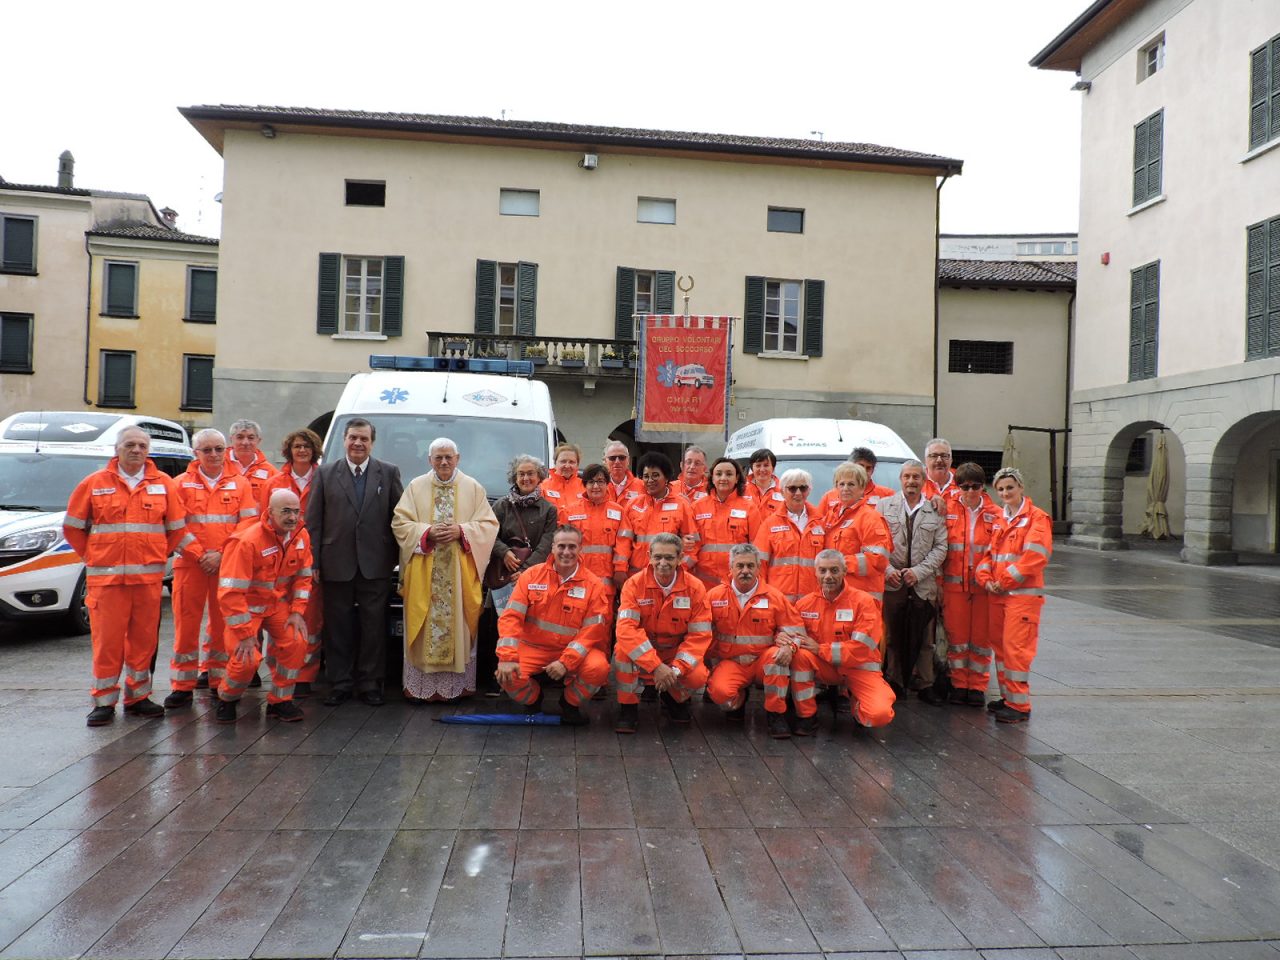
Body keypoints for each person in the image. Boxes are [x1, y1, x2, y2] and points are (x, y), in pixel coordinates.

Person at [63, 427, 187, 727]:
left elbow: (177, 528)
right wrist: (93, 556)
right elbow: (73, 527)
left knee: (143, 642)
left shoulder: (164, 485)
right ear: (117, 449)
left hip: (147, 581)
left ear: (148, 450)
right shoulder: (93, 484)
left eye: (142, 445)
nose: (136, 449)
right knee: (107, 643)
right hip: (106, 581)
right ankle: (104, 702)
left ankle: (138, 698)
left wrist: (156, 555)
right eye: (130, 444)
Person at [392, 438, 499, 702]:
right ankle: (421, 688)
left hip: (459, 575)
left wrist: (462, 531)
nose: (443, 462)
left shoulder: (472, 487)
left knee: (459, 627)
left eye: (448, 457)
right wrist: (426, 533)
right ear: (429, 460)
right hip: (424, 573)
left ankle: (456, 688)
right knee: (424, 622)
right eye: (438, 457)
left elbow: (488, 524)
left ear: (458, 458)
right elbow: (400, 523)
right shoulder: (416, 487)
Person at [305, 418, 403, 706]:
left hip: (376, 564)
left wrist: (399, 561)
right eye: (353, 438)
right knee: (337, 628)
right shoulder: (325, 474)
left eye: (364, 439)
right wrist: (313, 562)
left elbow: (398, 519)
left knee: (374, 627)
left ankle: (371, 683)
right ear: (344, 440)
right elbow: (314, 522)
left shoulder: (388, 473)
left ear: (372, 442)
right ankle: (339, 682)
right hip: (336, 563)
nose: (358, 443)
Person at [165, 428, 258, 708]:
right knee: (186, 625)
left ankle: (218, 681)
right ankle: (182, 685)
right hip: (189, 565)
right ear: (196, 454)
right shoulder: (179, 484)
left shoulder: (240, 483)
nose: (214, 455)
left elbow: (248, 525)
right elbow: (175, 526)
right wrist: (200, 554)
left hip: (227, 565)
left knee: (222, 625)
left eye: (219, 449)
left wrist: (221, 553)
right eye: (207, 450)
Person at [496, 525, 612, 724]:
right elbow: (511, 617)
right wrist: (506, 658)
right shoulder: (531, 576)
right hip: (533, 647)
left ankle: (570, 703)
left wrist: (566, 662)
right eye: (561, 546)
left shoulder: (594, 585)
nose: (566, 552)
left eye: (572, 547)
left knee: (599, 668)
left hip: (571, 650)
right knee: (506, 675)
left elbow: (592, 632)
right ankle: (533, 699)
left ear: (580, 549)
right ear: (552, 547)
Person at [214, 489, 311, 724]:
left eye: (296, 512)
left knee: (297, 641)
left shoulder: (300, 536)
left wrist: (298, 612)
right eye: (285, 511)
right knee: (247, 659)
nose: (292, 517)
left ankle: (280, 701)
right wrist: (246, 634)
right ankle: (227, 698)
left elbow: (303, 576)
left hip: (275, 604)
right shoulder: (248, 541)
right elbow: (230, 594)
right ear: (270, 512)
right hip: (245, 608)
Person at [976, 466, 1053, 724]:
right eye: (1000, 489)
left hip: (1022, 596)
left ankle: (1019, 705)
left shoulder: (1036, 518)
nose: (1005, 492)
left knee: (1016, 649)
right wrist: (986, 579)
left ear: (1021, 487)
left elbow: (1035, 557)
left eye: (1010, 487)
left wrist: (1003, 580)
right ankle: (1008, 697)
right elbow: (989, 555)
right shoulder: (1001, 519)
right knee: (1000, 648)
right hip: (999, 594)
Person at [613, 532, 711, 733]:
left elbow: (699, 636)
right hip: (646, 649)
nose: (663, 563)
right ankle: (628, 708)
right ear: (649, 556)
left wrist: (675, 669)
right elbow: (626, 630)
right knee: (622, 654)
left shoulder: (695, 587)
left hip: (675, 651)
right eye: (658, 557)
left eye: (669, 557)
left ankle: (673, 697)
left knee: (698, 676)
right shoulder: (634, 584)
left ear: (680, 558)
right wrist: (655, 665)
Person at [790, 550, 897, 735]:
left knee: (879, 715)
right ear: (815, 572)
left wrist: (820, 648)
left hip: (859, 669)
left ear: (844, 571)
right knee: (799, 655)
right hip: (825, 667)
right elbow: (794, 636)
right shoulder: (804, 604)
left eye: (834, 570)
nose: (828, 576)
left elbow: (862, 649)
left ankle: (856, 703)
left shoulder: (864, 602)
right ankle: (806, 716)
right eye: (822, 571)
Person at [705, 543, 805, 739]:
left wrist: (790, 646)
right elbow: (699, 633)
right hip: (731, 662)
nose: (745, 571)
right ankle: (739, 699)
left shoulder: (775, 597)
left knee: (779, 658)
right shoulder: (714, 596)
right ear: (730, 568)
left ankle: (776, 714)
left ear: (759, 568)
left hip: (763, 661)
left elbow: (795, 631)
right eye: (740, 566)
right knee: (719, 694)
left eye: (750, 566)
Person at [479, 455, 558, 693]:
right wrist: (503, 553)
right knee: (499, 625)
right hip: (503, 576)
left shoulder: (549, 509)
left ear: (540, 477)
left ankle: (533, 674)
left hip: (534, 577)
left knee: (532, 625)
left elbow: (548, 543)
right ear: (515, 477)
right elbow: (488, 533)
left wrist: (526, 570)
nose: (526, 478)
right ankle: (497, 675)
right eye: (521, 474)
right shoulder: (502, 505)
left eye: (530, 473)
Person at [260, 428, 325, 695]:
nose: (302, 450)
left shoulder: (324, 478)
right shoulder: (274, 482)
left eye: (307, 446)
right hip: (279, 559)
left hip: (309, 556)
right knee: (279, 616)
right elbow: (262, 521)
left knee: (311, 619)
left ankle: (304, 676)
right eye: (297, 446)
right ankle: (279, 673)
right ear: (290, 449)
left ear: (314, 450)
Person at [878, 459, 948, 701]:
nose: (911, 481)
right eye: (907, 477)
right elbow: (875, 543)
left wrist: (918, 571)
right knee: (892, 637)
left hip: (922, 584)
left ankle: (925, 683)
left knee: (925, 638)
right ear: (900, 479)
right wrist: (888, 570)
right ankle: (895, 680)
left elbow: (941, 547)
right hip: (893, 583)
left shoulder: (934, 510)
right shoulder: (884, 507)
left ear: (924, 481)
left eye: (916, 477)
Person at [940, 463, 1000, 707]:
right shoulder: (945, 509)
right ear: (958, 487)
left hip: (983, 589)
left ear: (983, 487)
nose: (970, 491)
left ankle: (976, 685)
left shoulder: (996, 513)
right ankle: (958, 684)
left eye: (975, 486)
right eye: (964, 486)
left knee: (981, 641)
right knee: (957, 640)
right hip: (954, 588)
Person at [617, 451, 699, 576]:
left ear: (666, 477)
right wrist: (620, 570)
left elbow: (693, 544)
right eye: (646, 476)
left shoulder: (682, 505)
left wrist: (680, 569)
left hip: (669, 576)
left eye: (655, 475)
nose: (650, 480)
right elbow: (623, 541)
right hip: (637, 576)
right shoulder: (633, 505)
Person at [752, 468, 827, 602]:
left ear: (809, 491)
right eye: (792, 488)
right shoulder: (770, 524)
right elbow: (759, 565)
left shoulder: (821, 523)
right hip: (779, 601)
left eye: (803, 488)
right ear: (782, 492)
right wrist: (763, 596)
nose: (798, 493)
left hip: (814, 601)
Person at [824, 462, 892, 605]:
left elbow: (878, 560)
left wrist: (839, 564)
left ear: (862, 488)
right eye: (841, 484)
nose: (845, 489)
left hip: (863, 598)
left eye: (851, 484)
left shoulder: (870, 518)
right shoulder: (831, 516)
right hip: (837, 595)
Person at [691, 457, 761, 587]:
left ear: (737, 478)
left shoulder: (749, 508)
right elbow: (691, 547)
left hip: (738, 583)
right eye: (718, 474)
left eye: (729, 474)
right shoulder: (697, 507)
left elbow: (756, 548)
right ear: (712, 478)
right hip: (705, 584)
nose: (723, 478)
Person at [559, 462, 626, 596]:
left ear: (607, 484)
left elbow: (623, 542)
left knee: (603, 616)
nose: (596, 486)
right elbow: (560, 545)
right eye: (591, 482)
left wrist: (621, 569)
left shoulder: (618, 511)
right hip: (576, 577)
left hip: (607, 581)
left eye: (600, 481)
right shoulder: (569, 512)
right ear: (584, 485)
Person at [818, 447, 895, 513]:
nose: (864, 471)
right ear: (850, 467)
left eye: (868, 468)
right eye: (860, 466)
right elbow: (818, 523)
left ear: (873, 470)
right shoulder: (829, 496)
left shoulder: (887, 495)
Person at [228, 419, 279, 504]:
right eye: (240, 437)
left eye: (251, 438)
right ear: (231, 439)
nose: (245, 442)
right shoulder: (218, 467)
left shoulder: (272, 473)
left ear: (258, 441)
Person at [922, 437, 960, 506]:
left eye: (944, 456)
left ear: (951, 460)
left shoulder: (963, 482)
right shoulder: (917, 483)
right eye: (934, 456)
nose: (939, 460)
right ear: (925, 460)